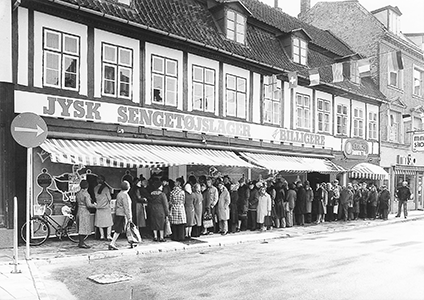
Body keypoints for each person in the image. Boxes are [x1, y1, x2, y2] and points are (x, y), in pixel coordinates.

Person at [109, 181, 132, 250]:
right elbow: (126, 207)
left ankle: (131, 242)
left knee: (126, 228)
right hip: (123, 214)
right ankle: (112, 243)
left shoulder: (119, 194)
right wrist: (129, 217)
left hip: (118, 213)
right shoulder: (125, 195)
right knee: (119, 230)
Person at [76, 180, 97, 248]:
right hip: (84, 211)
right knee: (83, 228)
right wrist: (95, 205)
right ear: (87, 186)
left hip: (79, 211)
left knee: (80, 228)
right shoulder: (86, 194)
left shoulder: (78, 193)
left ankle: (80, 242)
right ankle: (82, 243)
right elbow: (89, 205)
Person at [93, 175, 113, 241]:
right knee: (109, 223)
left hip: (98, 208)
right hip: (106, 208)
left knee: (100, 223)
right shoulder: (106, 189)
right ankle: (108, 236)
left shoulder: (95, 188)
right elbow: (109, 198)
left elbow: (95, 197)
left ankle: (102, 236)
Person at [169, 177, 187, 241]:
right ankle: (181, 236)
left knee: (174, 223)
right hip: (181, 207)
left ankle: (175, 236)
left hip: (174, 207)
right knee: (181, 223)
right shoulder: (182, 192)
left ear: (178, 183)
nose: (174, 182)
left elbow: (170, 201)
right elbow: (184, 201)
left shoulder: (172, 192)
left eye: (176, 181)